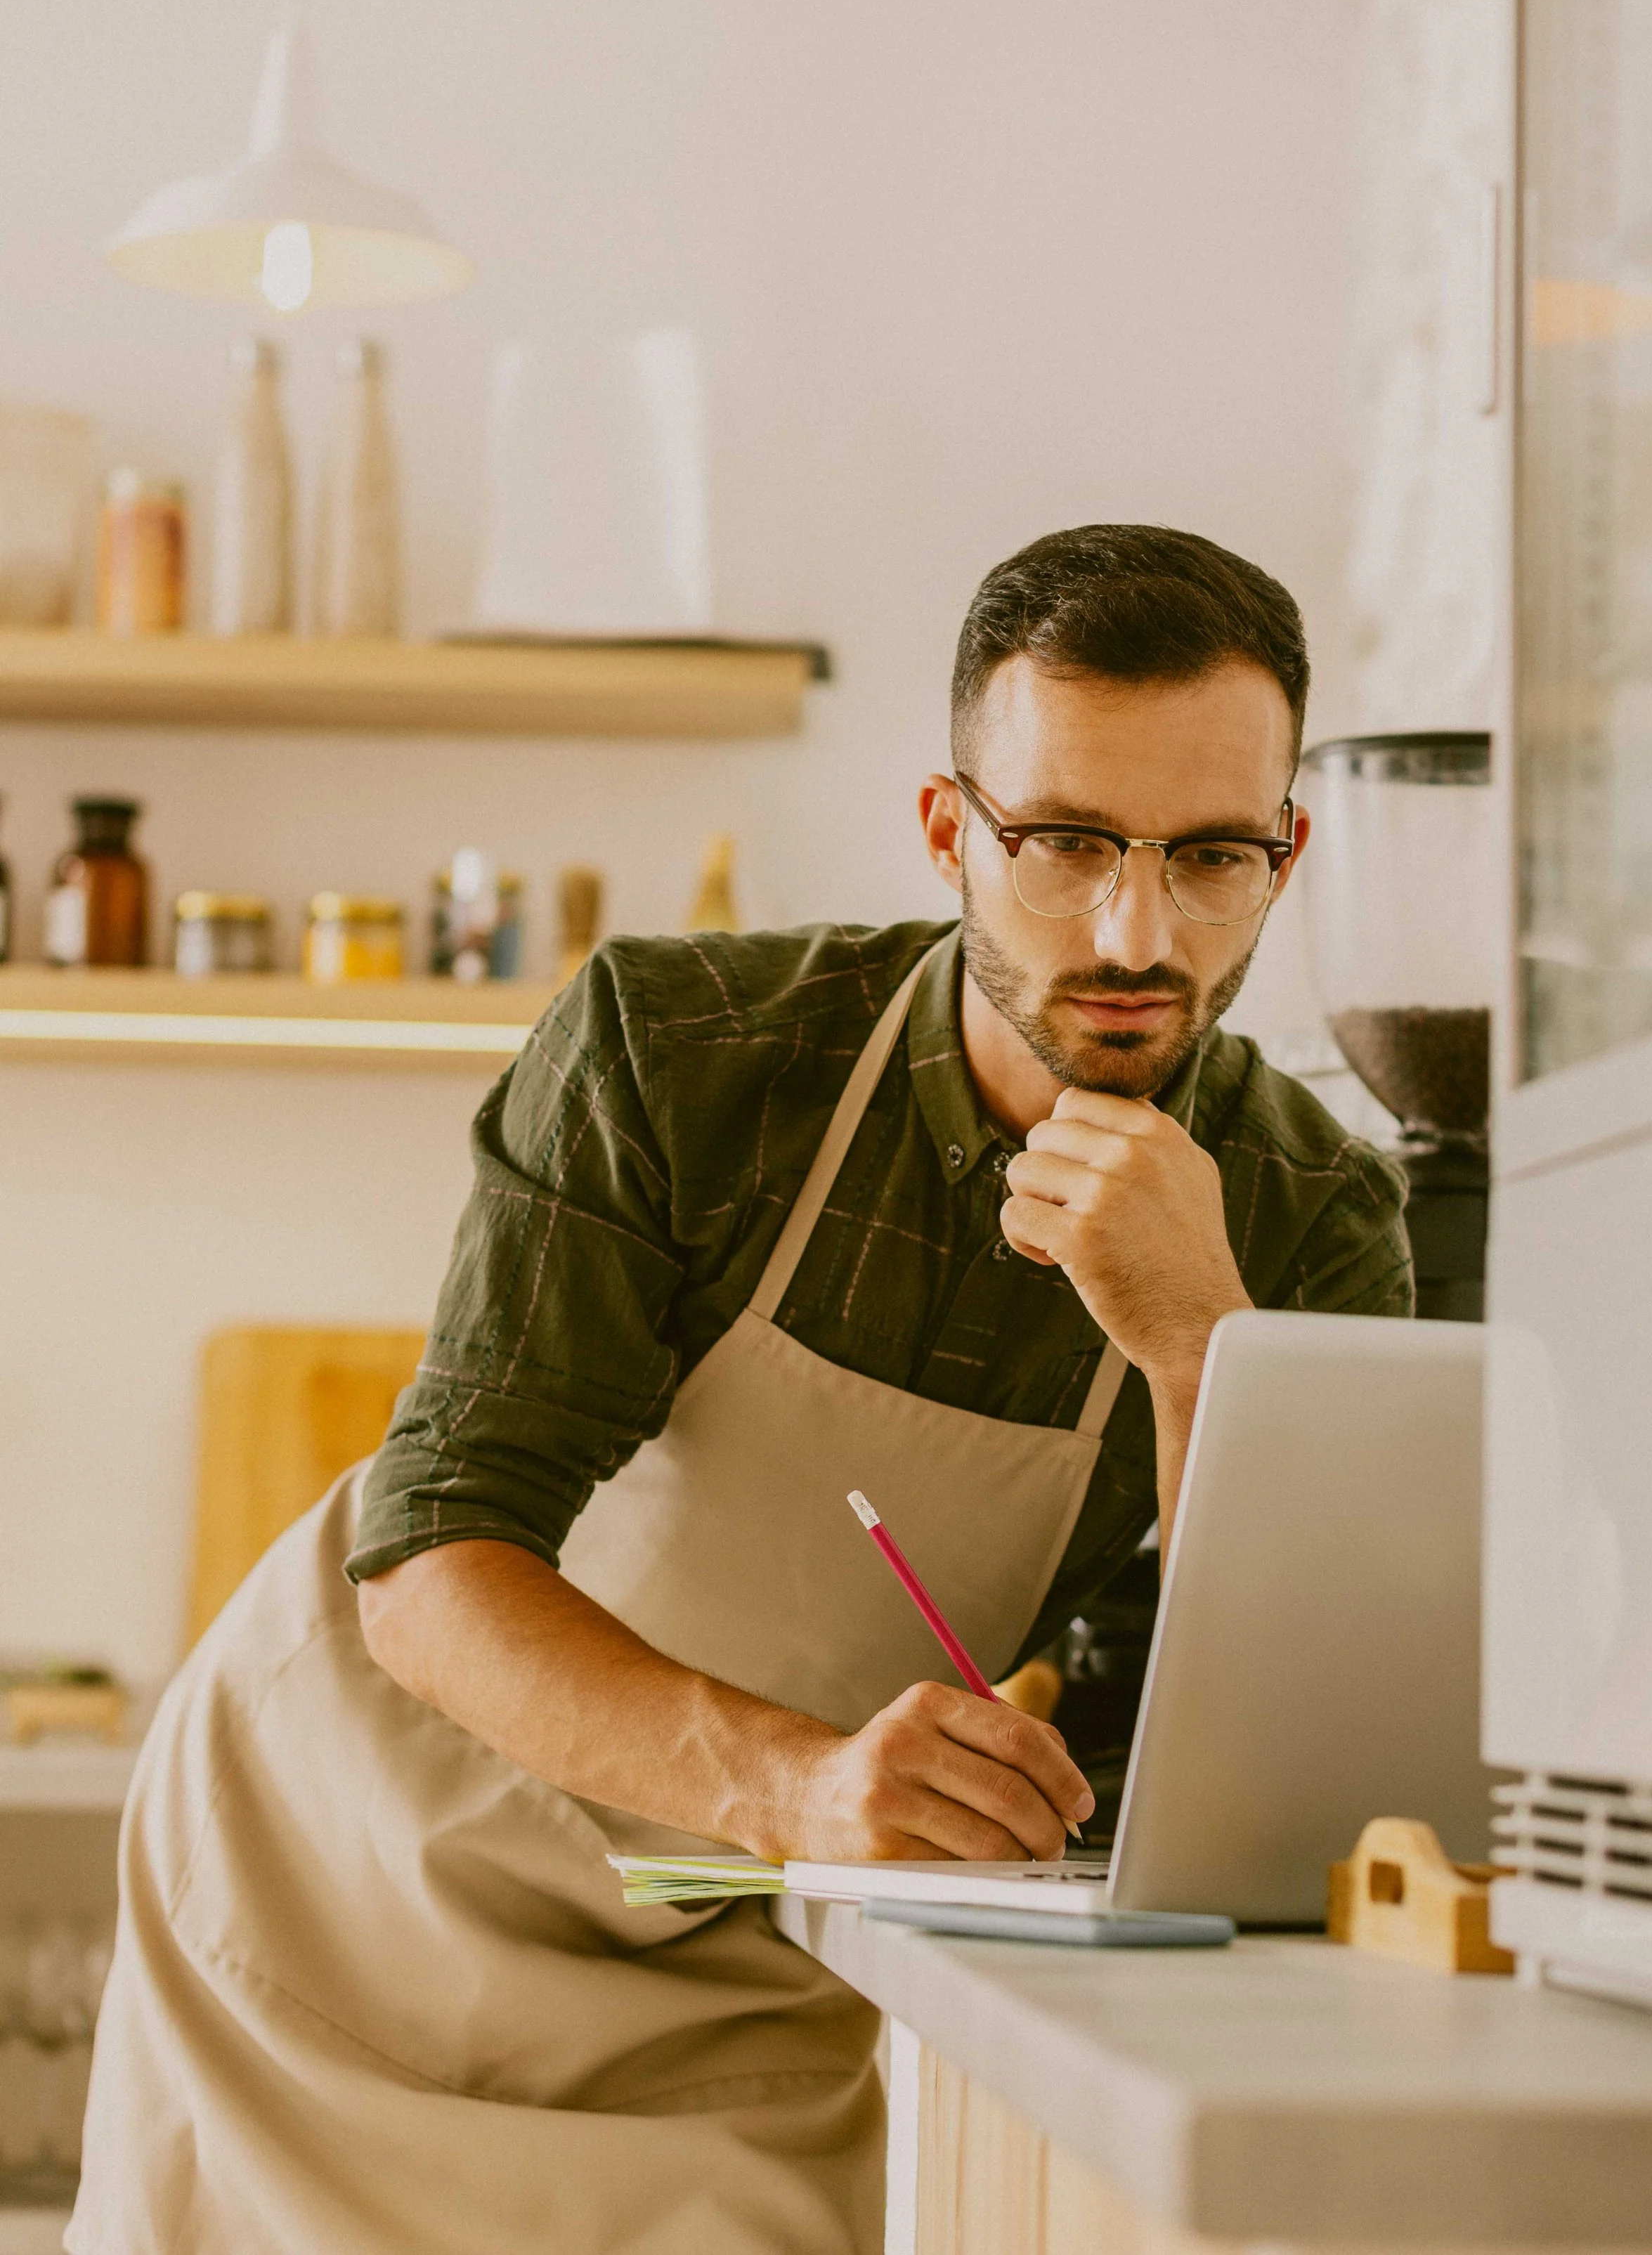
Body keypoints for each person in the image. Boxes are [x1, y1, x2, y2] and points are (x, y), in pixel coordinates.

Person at [74, 525, 1412, 2255]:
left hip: (730, 1951)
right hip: (340, 1887)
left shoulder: (1310, 1212)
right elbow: (427, 1566)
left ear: (1284, 854)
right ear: (948, 830)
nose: (1133, 929)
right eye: (1063, 842)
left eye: (1211, 855)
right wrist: (795, 1790)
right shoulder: (682, 1057)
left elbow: (1296, 1750)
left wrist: (1195, 1342)